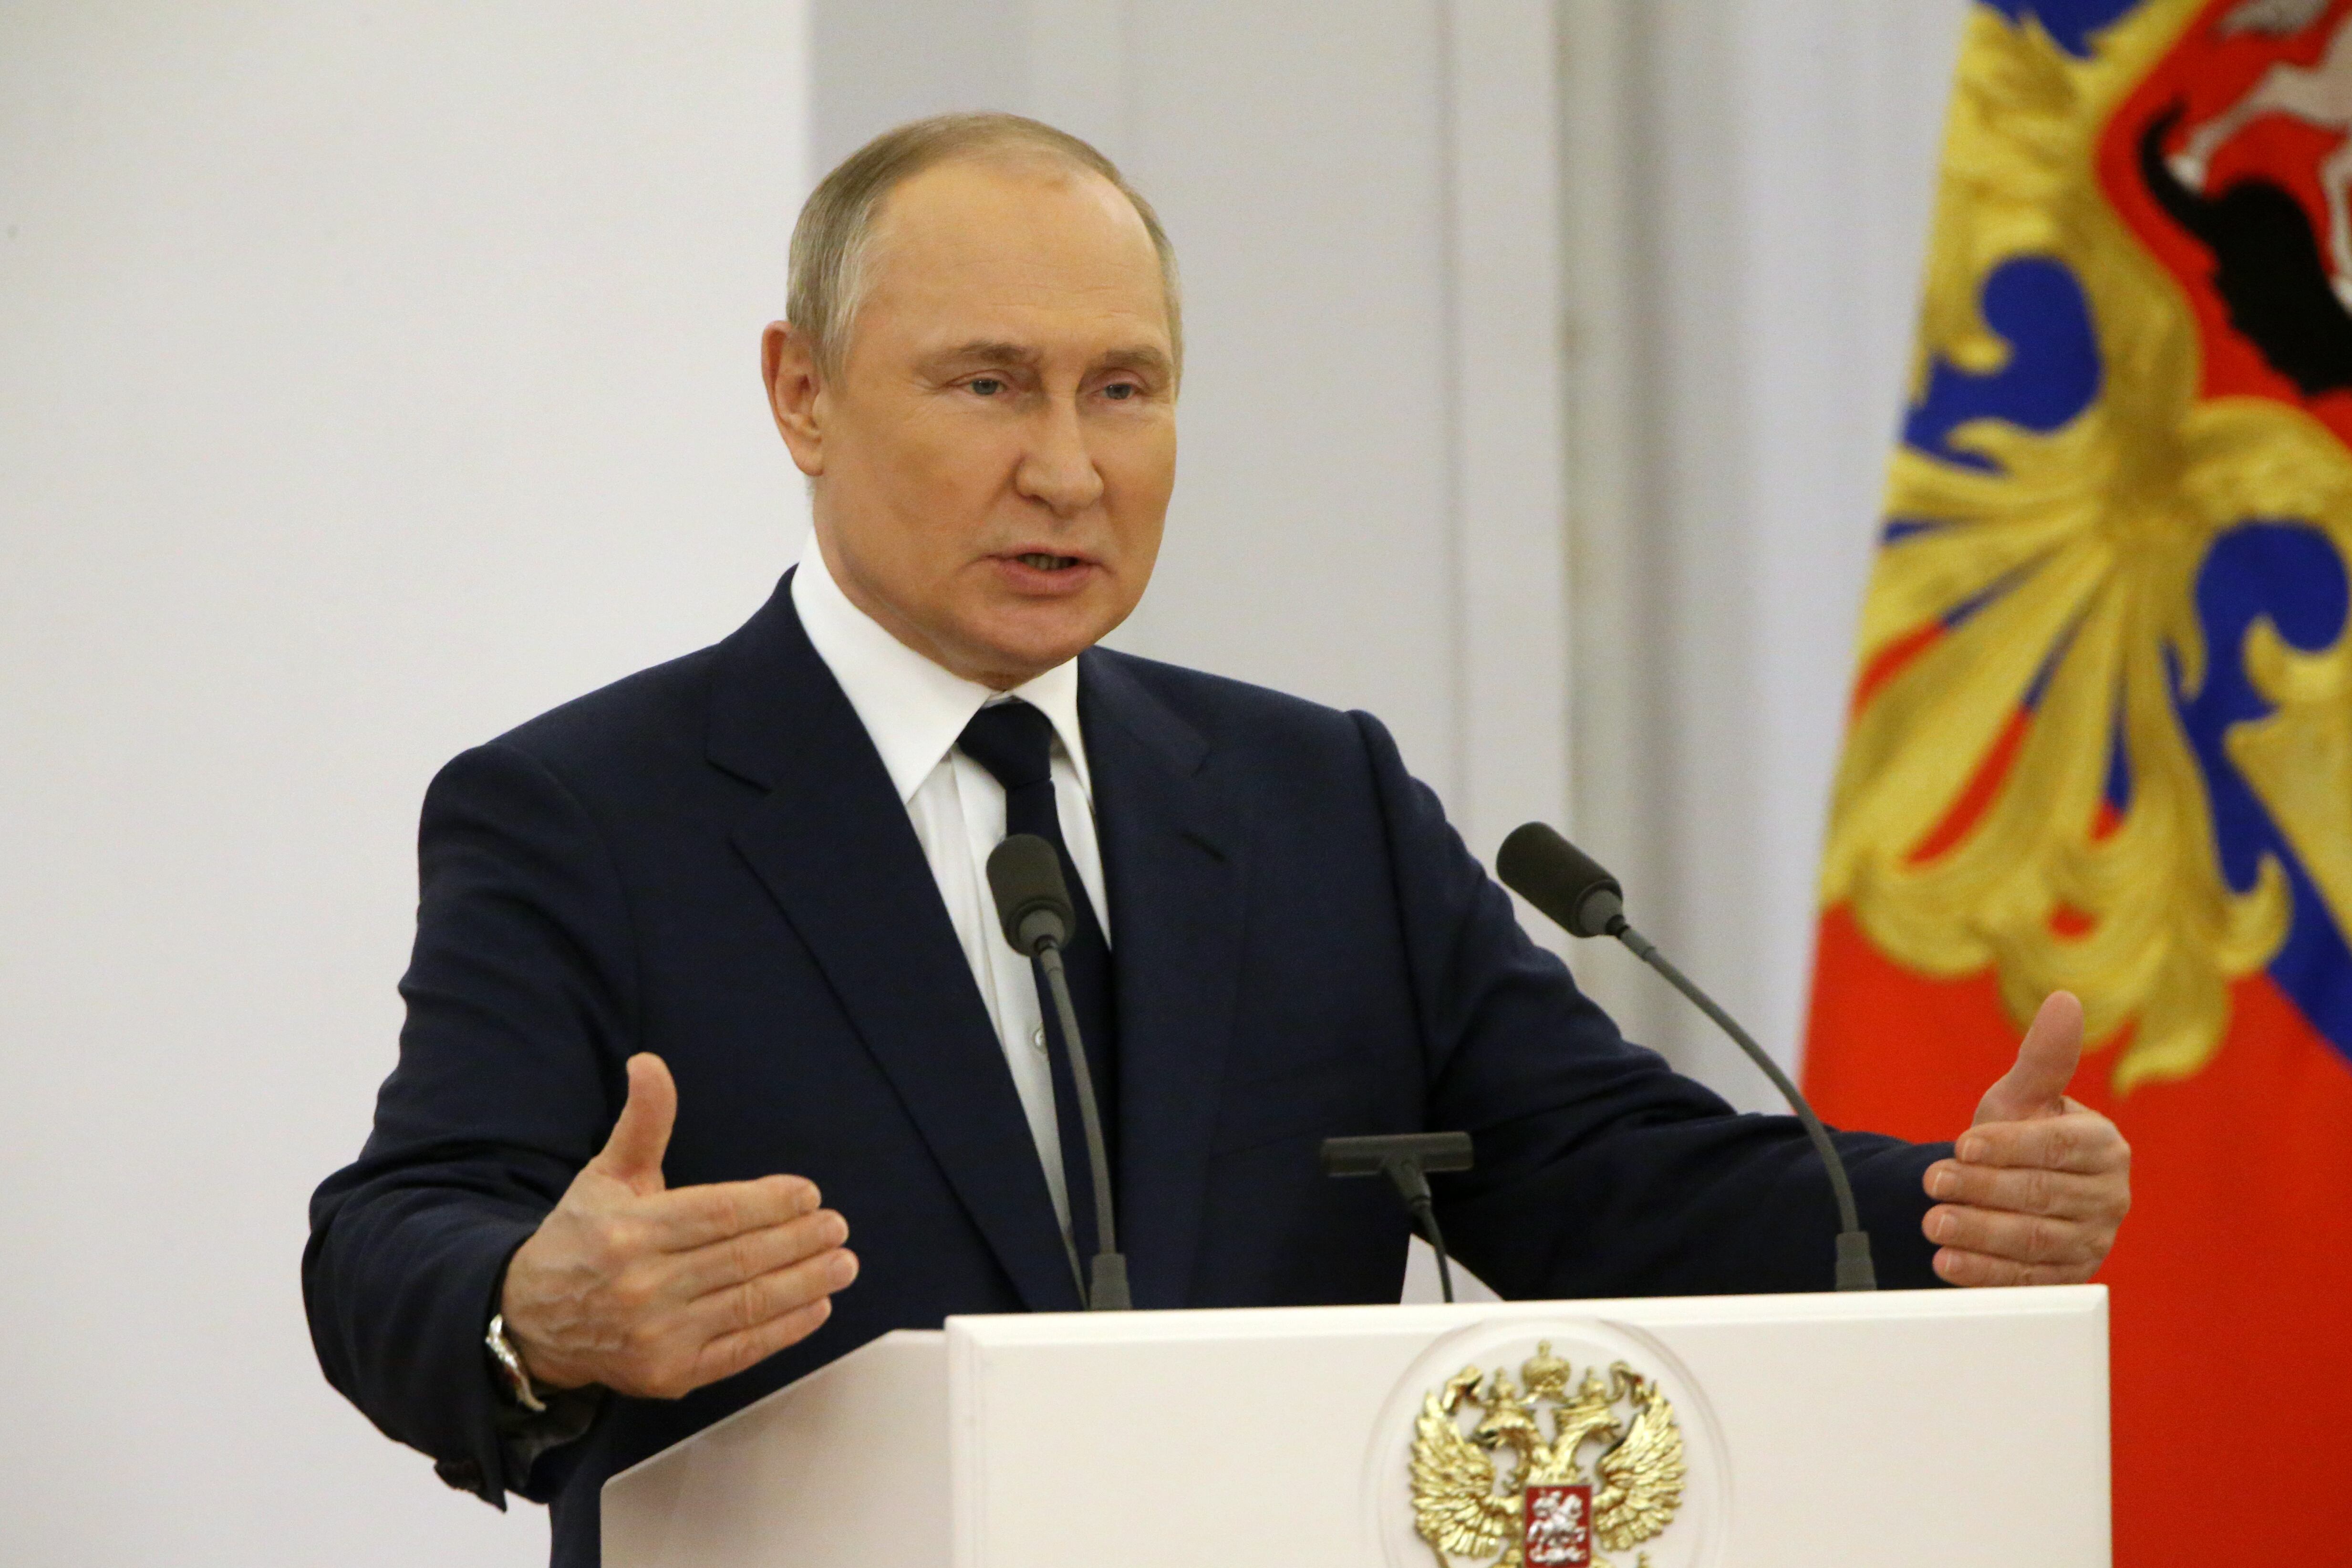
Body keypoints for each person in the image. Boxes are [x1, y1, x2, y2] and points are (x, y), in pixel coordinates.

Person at [304, 113, 2131, 1568]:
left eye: (1125, 387)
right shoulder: (591, 810)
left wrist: (1933, 1211)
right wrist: (530, 1315)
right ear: (799, 392)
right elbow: (396, 1234)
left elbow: (1600, 1173)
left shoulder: (1304, 796)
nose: (1071, 467)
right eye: (986, 384)